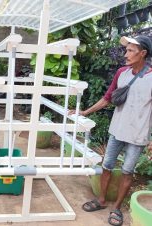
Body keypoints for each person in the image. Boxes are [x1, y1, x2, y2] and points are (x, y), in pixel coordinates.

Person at [69, 35, 152, 226]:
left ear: (143, 53)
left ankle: (116, 207)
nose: (126, 54)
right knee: (106, 166)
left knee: (127, 171)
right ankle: (101, 200)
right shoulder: (122, 73)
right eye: (126, 50)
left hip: (138, 134)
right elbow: (107, 98)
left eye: (131, 50)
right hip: (117, 130)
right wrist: (85, 111)